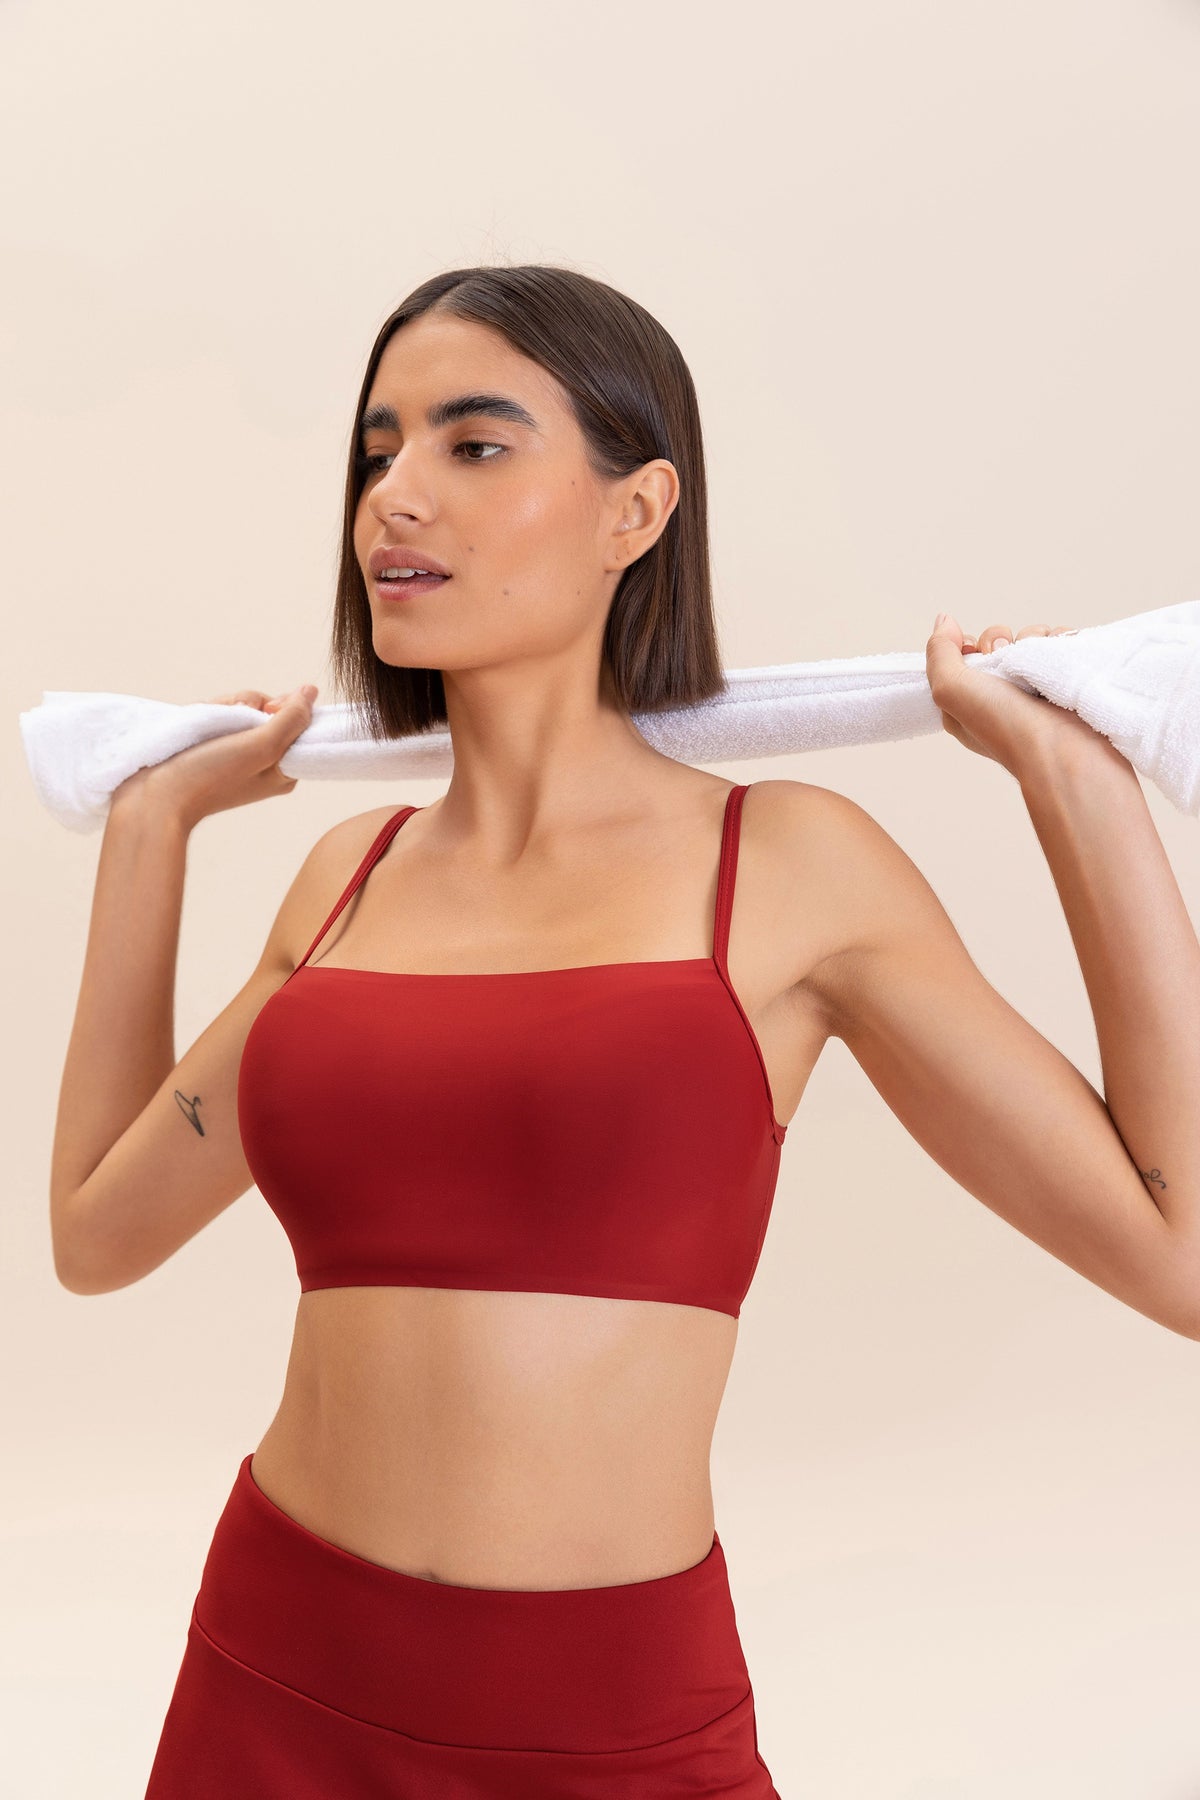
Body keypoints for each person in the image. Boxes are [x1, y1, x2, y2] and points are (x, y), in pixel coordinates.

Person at [49, 265, 1200, 1798]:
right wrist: (150, 832)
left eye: (473, 444)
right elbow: (98, 1233)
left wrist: (1077, 780)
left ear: (635, 511)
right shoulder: (346, 880)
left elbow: (1184, 1257)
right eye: (378, 451)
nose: (395, 496)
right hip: (276, 1677)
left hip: (609, 1718)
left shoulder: (790, 867)